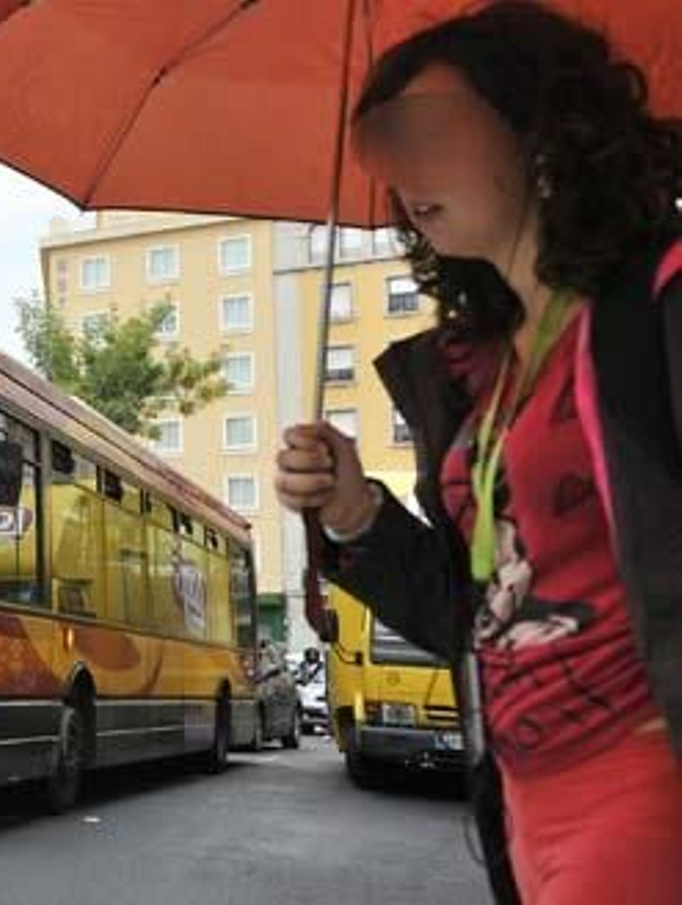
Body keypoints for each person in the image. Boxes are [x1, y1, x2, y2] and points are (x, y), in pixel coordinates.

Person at [274, 5, 681, 904]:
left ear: (541, 130)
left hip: (645, 790)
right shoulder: (479, 373)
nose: (405, 170)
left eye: (433, 133)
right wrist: (356, 513)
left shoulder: (656, 306)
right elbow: (478, 614)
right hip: (526, 808)